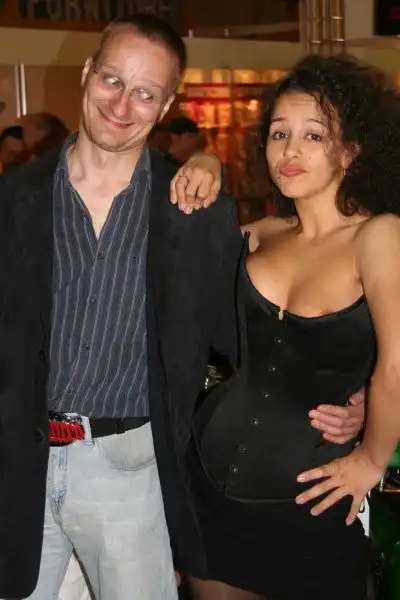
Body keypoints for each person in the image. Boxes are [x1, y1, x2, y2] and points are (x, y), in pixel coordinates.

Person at [0, 14, 363, 600]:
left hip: (130, 467)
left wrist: (353, 394)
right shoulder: (13, 198)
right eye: (112, 80)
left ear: (167, 103)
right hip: (18, 466)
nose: (122, 105)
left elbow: (255, 336)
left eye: (145, 92)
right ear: (88, 72)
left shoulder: (197, 213)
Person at [172, 55, 400, 600]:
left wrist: (371, 458)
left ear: (351, 150)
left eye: (313, 135)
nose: (290, 151)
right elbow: (176, 243)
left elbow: (395, 365)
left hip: (314, 499)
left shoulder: (378, 236)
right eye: (279, 134)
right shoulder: (265, 233)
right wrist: (205, 159)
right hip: (209, 483)